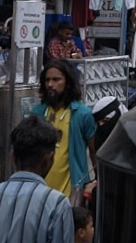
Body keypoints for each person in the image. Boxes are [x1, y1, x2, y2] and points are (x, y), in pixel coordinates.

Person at [30, 59, 99, 201]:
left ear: (67, 83)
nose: (50, 85)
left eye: (56, 80)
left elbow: (94, 151)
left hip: (72, 194)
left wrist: (96, 182)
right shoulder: (38, 113)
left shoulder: (82, 114)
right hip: (40, 193)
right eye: (47, 80)